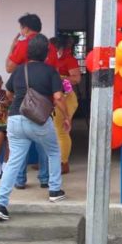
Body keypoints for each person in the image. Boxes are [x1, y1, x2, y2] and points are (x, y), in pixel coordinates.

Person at [0, 34, 71, 221]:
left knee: (13, 162)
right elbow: (59, 97)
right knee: (53, 151)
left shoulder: (19, 70)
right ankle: (54, 190)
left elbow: (9, 94)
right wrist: (67, 116)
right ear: (46, 53)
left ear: (28, 53)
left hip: (15, 119)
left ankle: (1, 204)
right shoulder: (50, 71)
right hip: (39, 120)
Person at [6, 13, 58, 188]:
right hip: (45, 103)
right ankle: (45, 179)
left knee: (20, 147)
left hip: (23, 102)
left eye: (21, 28)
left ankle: (20, 180)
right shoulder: (49, 47)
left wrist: (12, 48)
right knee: (45, 145)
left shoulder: (23, 44)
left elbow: (9, 68)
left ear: (26, 28)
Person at [51, 35, 80, 174]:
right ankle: (51, 161)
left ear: (59, 48)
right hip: (54, 98)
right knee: (52, 131)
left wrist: (61, 78)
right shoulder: (51, 60)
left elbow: (76, 78)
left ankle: (64, 163)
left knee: (61, 130)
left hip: (66, 98)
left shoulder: (69, 59)